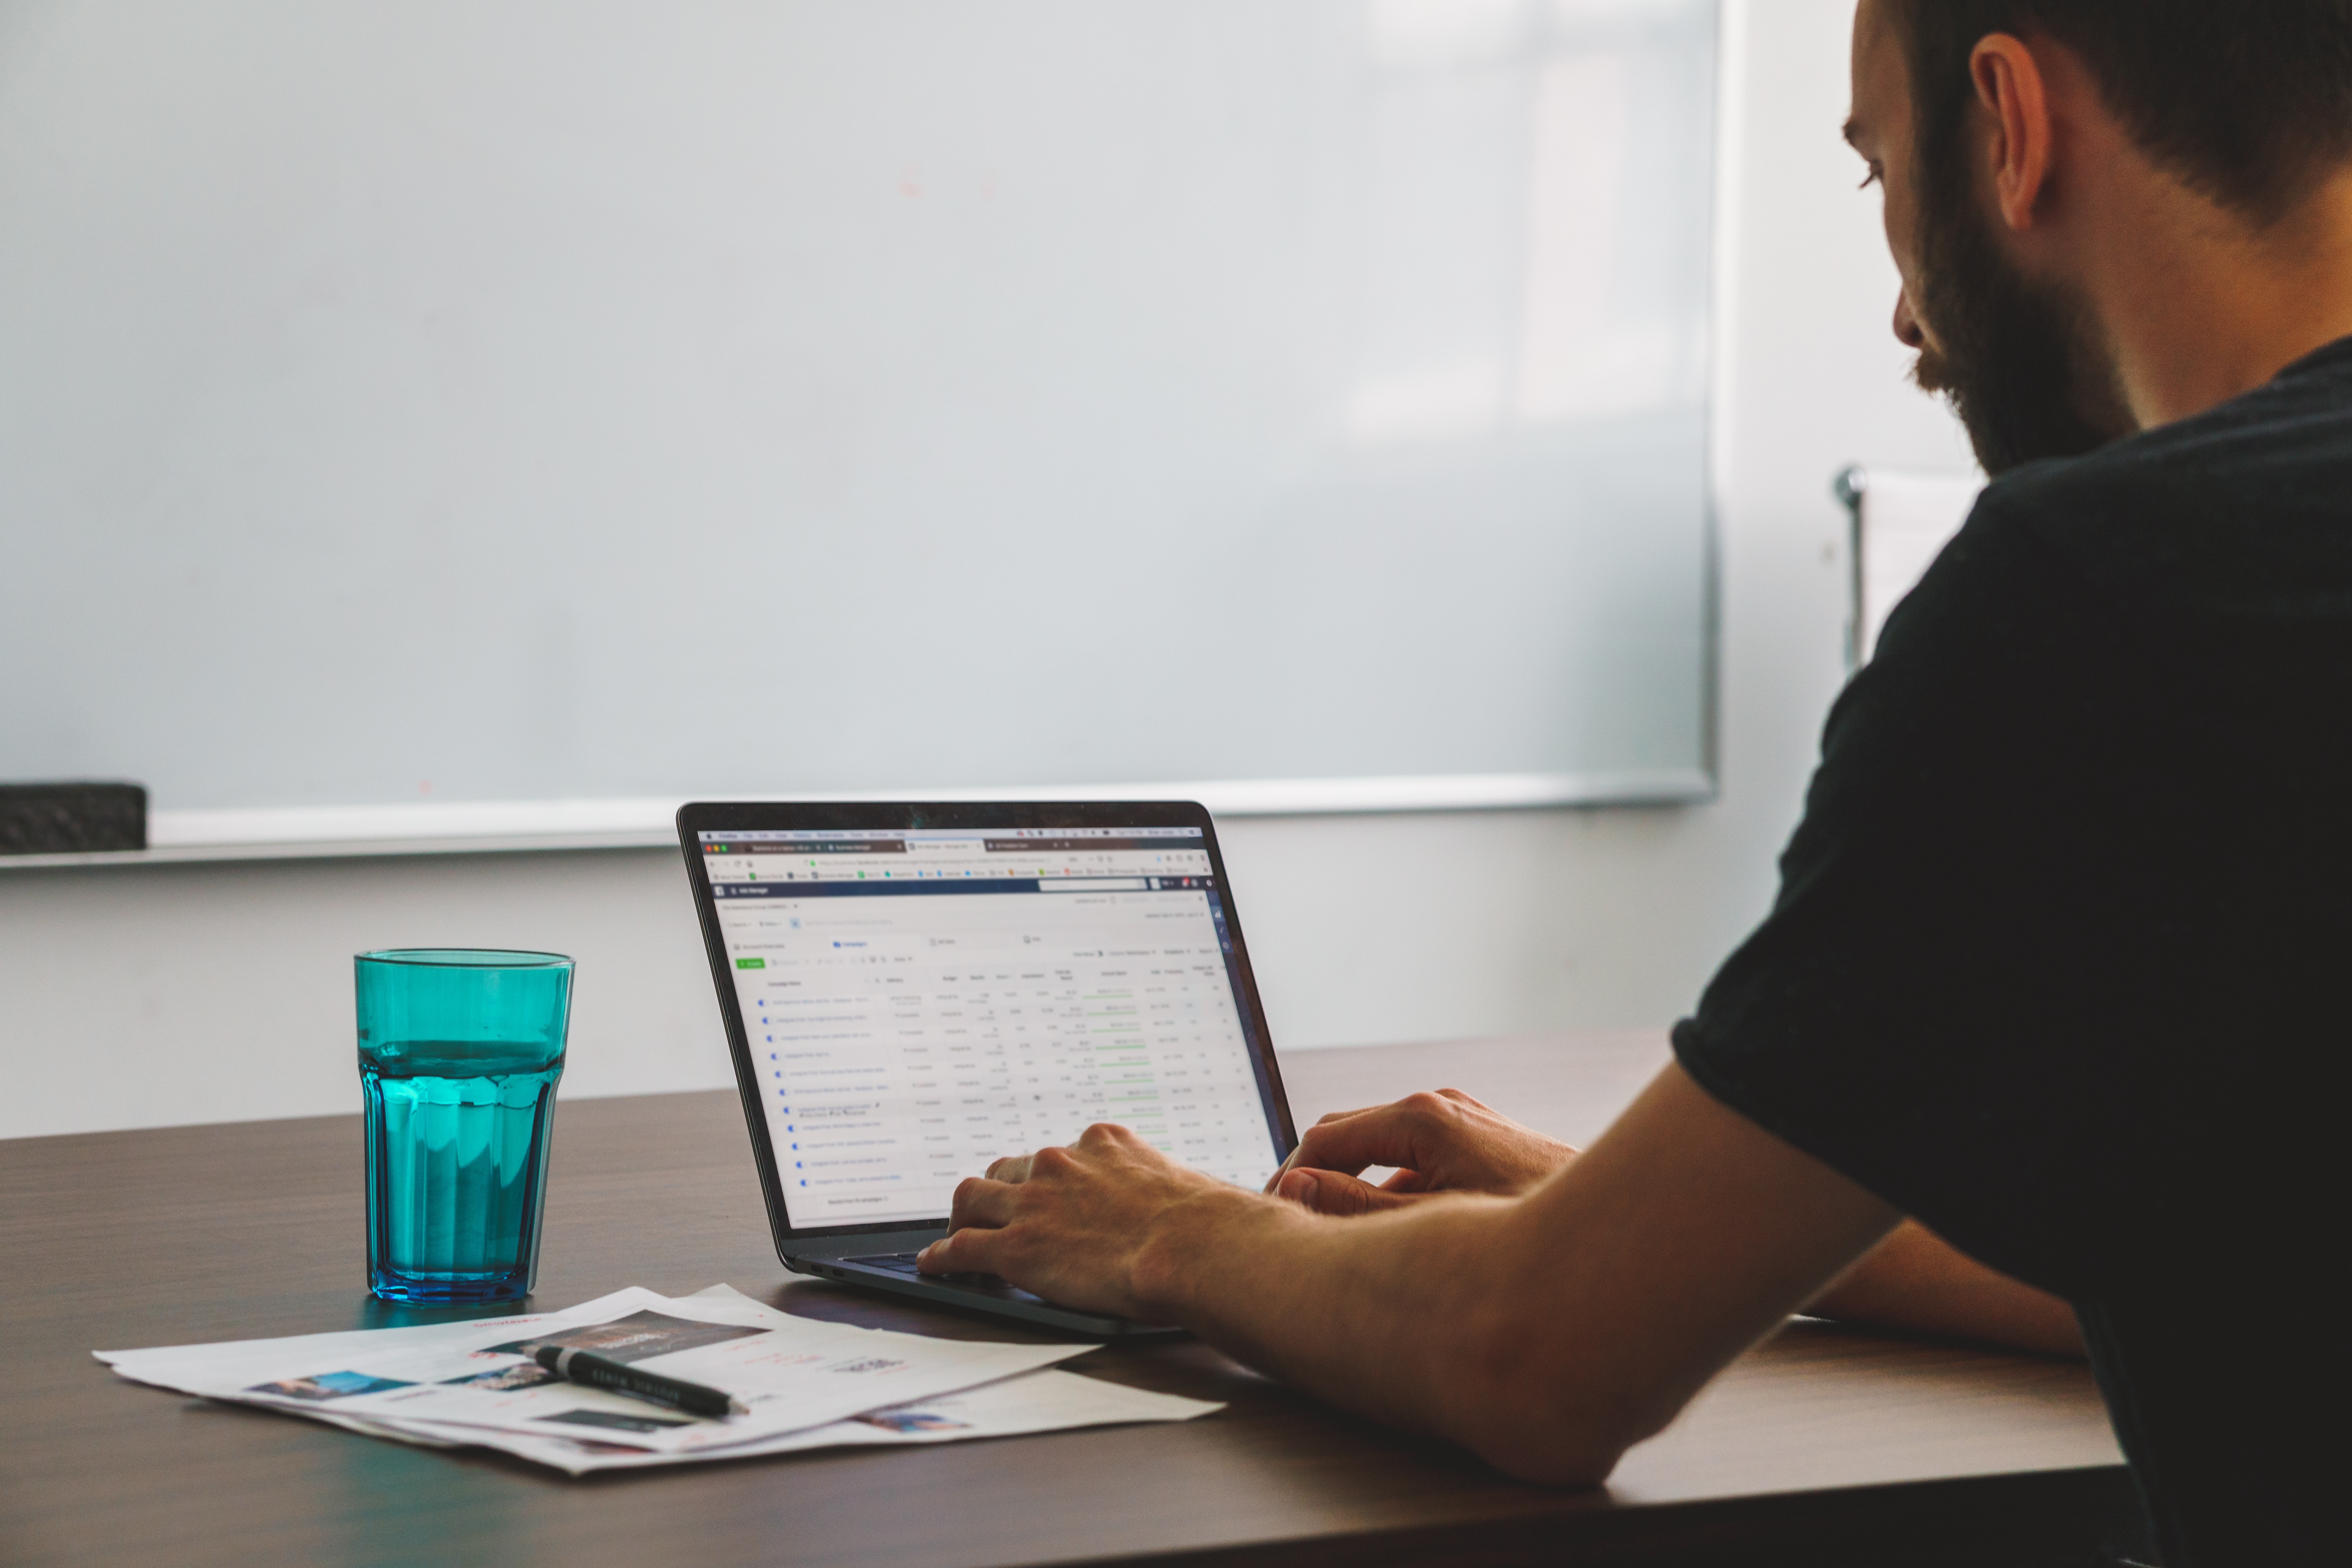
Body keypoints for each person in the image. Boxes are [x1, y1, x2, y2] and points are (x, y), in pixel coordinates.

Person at [918, 3, 2352, 1561]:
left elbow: (1534, 1366)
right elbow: (2241, 1260)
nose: (1902, 323)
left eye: (1883, 181)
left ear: (2009, 124)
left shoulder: (2105, 596)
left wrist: (1176, 1234)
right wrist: (1635, 1207)